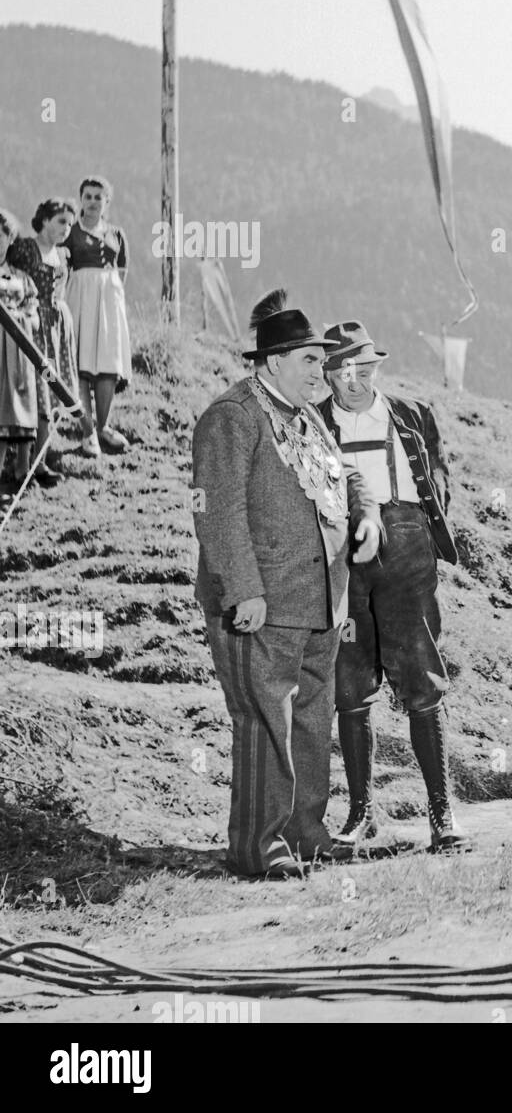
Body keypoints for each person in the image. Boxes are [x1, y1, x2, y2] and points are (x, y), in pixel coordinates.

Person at [192, 290, 382, 879]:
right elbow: (215, 511)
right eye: (309, 360)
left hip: (320, 607)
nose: (320, 372)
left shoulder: (307, 420)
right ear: (274, 361)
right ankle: (257, 845)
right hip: (262, 607)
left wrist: (367, 514)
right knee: (265, 721)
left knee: (309, 720)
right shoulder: (233, 417)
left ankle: (304, 832)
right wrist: (243, 590)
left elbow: (346, 476)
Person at [316, 320, 468, 854]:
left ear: (376, 368)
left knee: (424, 682)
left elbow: (441, 474)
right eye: (343, 370)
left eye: (364, 368)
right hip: (343, 559)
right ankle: (362, 815)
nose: (355, 380)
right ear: (329, 376)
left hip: (406, 552)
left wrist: (422, 527)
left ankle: (441, 815)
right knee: (350, 687)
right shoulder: (312, 426)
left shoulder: (411, 414)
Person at [6, 198, 78, 486]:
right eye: (61, 221)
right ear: (45, 220)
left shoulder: (63, 254)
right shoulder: (25, 248)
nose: (66, 228)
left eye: (70, 224)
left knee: (51, 392)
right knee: (32, 395)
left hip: (57, 330)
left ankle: (41, 462)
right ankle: (20, 464)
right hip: (30, 327)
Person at [65, 176, 132, 457]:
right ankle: (87, 430)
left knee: (107, 364)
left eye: (98, 197)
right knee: (80, 361)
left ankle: (104, 426)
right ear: (81, 199)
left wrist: (111, 295)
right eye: (88, 196)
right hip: (79, 297)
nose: (92, 201)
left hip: (109, 302)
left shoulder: (116, 233)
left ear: (107, 202)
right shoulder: (71, 231)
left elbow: (123, 269)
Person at [0, 209, 40, 509]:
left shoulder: (20, 278)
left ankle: (22, 469)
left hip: (18, 349)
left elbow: (33, 310)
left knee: (22, 400)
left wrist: (23, 319)